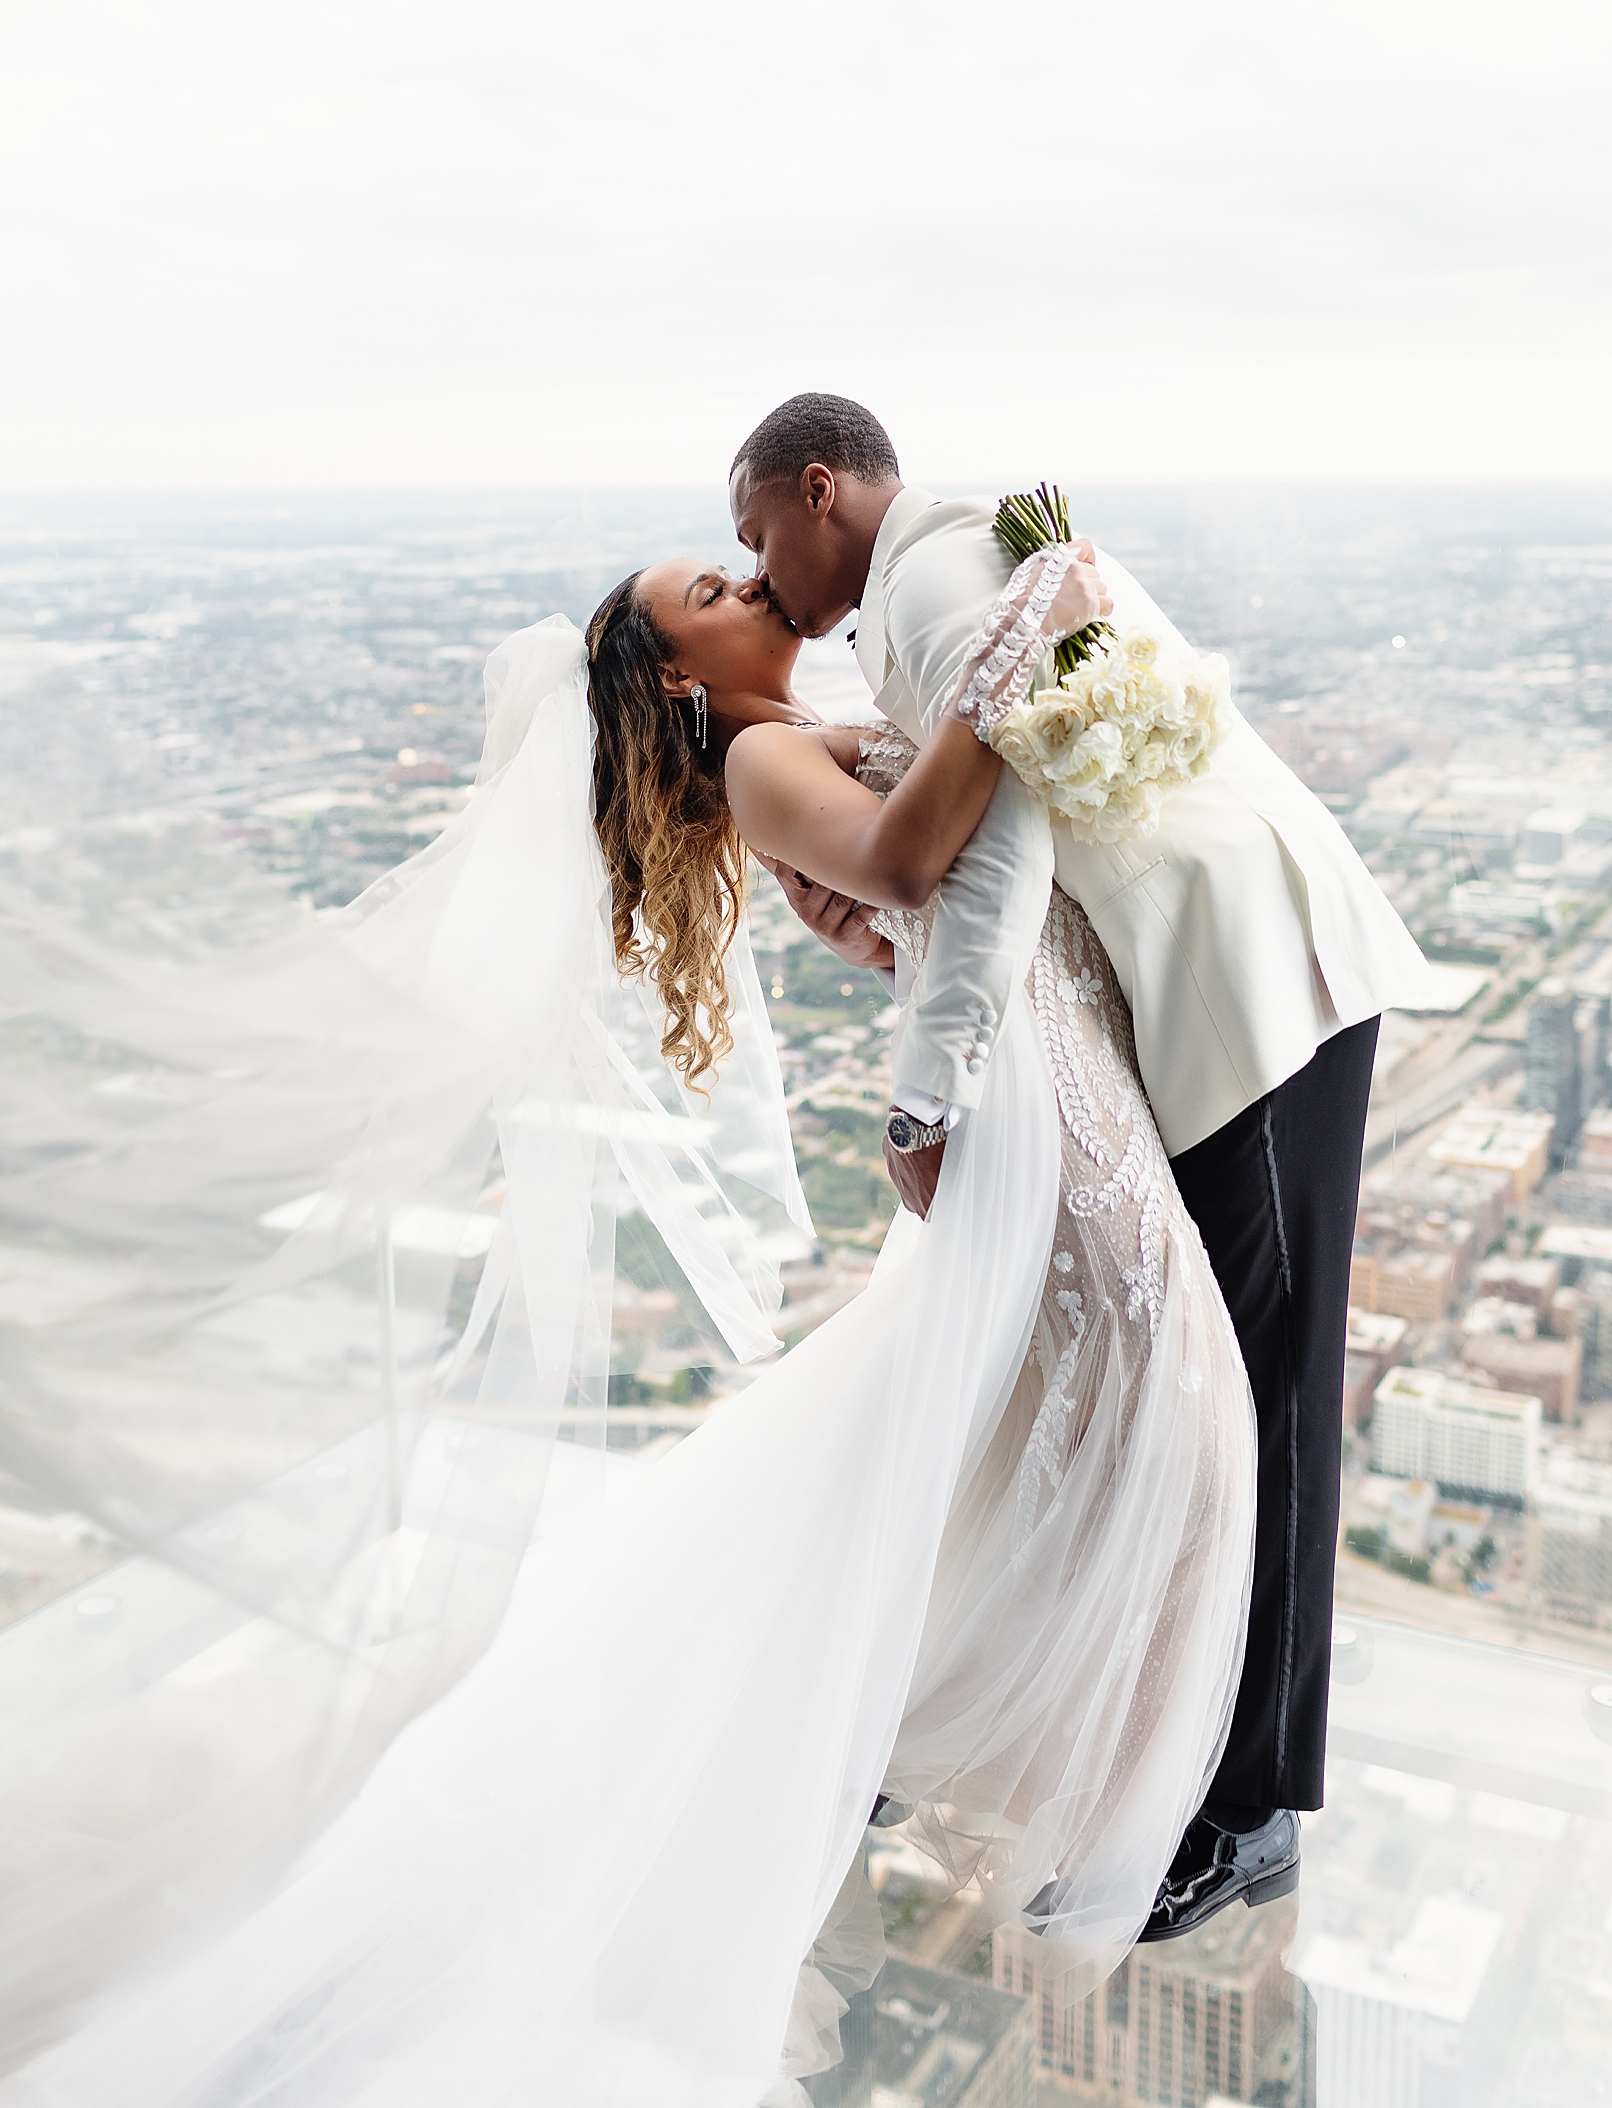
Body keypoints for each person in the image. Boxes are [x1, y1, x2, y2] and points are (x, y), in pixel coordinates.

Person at [1, 541, 1254, 2104]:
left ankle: (930, 1721)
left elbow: (904, 896)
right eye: (711, 596)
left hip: (1037, 1064)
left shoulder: (800, 735)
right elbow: (920, 858)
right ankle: (1113, 1798)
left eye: (736, 570)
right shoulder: (763, 756)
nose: (746, 585)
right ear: (677, 674)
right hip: (1018, 1100)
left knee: (1005, 1416)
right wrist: (1024, 649)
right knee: (1169, 1427)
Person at [730, 391, 1436, 1941]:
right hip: (1236, 976)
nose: (761, 571)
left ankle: (1245, 1810)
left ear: (821, 487)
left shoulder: (925, 583)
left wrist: (923, 1096)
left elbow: (992, 876)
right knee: (1235, 1388)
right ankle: (1183, 1773)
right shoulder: (965, 555)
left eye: (756, 534)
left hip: (1248, 985)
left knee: (1263, 1394)